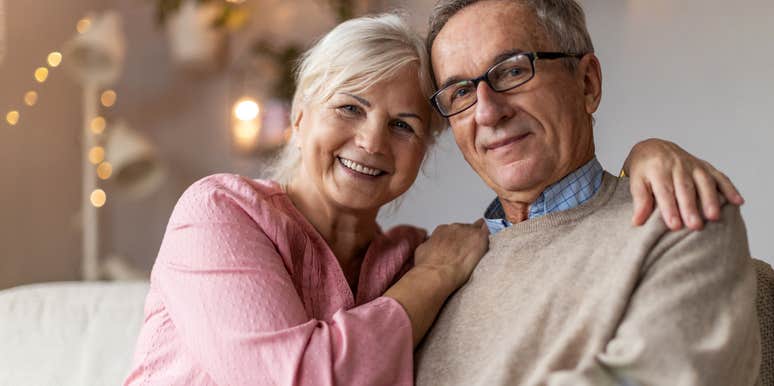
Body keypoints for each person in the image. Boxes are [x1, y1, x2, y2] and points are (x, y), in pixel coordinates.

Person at [124, 13, 746, 386]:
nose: (371, 141)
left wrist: (649, 152)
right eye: (348, 108)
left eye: (404, 125)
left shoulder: (415, 258)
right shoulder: (223, 212)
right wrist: (436, 277)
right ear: (299, 117)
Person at [414, 1, 760, 385]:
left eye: (512, 70)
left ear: (587, 83)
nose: (487, 112)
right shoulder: (432, 268)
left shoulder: (678, 214)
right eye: (460, 93)